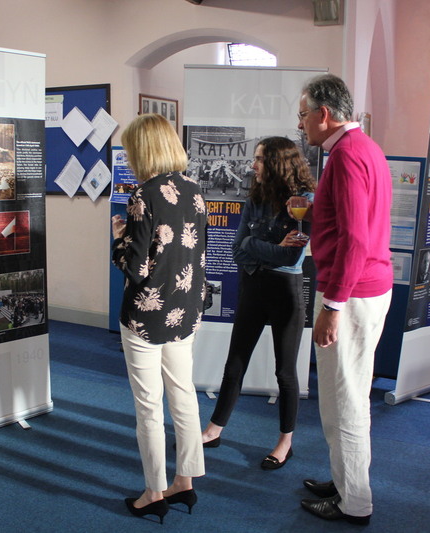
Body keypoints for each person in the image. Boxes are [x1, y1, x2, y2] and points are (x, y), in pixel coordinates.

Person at [296, 74, 393, 525]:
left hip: (351, 292)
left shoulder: (347, 155)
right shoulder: (364, 148)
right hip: (365, 286)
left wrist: (333, 306)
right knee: (341, 394)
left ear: (324, 114)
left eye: (303, 115)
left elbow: (355, 239)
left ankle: (354, 502)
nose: (300, 124)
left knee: (346, 398)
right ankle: (344, 481)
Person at [110, 113, 207, 524]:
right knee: (183, 395)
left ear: (142, 150)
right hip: (184, 311)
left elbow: (135, 269)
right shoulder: (194, 189)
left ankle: (153, 492)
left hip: (146, 318)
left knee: (149, 406)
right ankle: (185, 481)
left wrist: (119, 238)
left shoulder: (143, 196)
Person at [200, 136, 315, 469]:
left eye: (260, 159)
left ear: (278, 162)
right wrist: (264, 246)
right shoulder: (256, 196)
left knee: (285, 372)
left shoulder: (304, 201)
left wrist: (254, 244)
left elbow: (291, 257)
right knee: (235, 363)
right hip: (252, 283)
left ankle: (285, 443)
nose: (253, 165)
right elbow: (238, 249)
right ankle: (214, 429)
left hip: (286, 290)